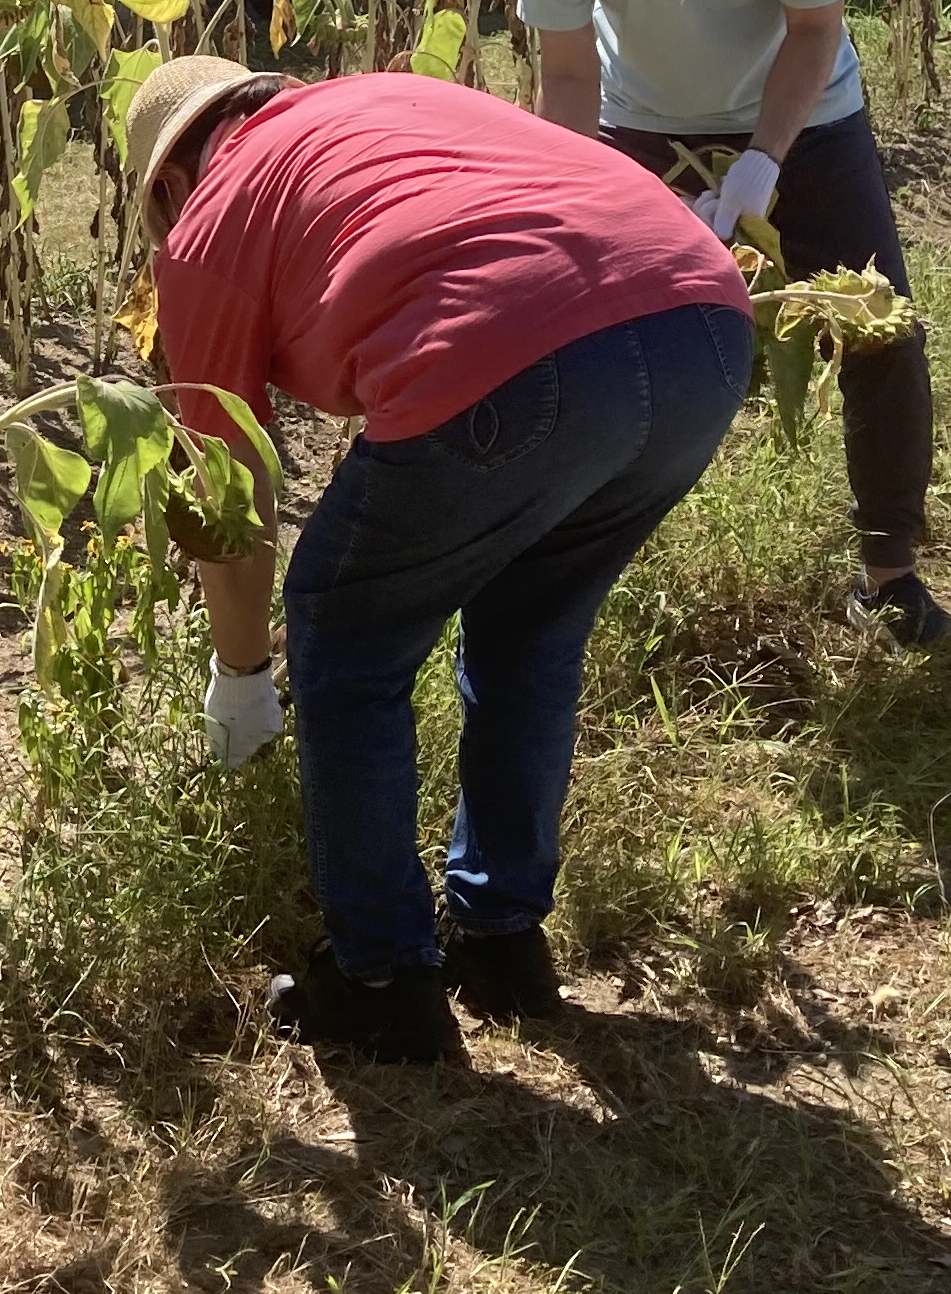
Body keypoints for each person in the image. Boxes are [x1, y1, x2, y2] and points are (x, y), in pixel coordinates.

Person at [130, 57, 753, 1065]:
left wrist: (240, 674)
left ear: (168, 184)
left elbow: (227, 491)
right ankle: (501, 945)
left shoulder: (208, 220)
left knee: (345, 629)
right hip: (704, 324)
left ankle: (381, 981)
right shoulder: (374, 104)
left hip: (520, 348)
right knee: (530, 627)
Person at [490, 0, 951, 650]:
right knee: (594, 340)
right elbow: (569, 70)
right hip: (637, 120)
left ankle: (890, 575)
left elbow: (815, 28)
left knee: (881, 331)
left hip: (803, 116)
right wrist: (572, 196)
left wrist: (762, 161)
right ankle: (572, 568)